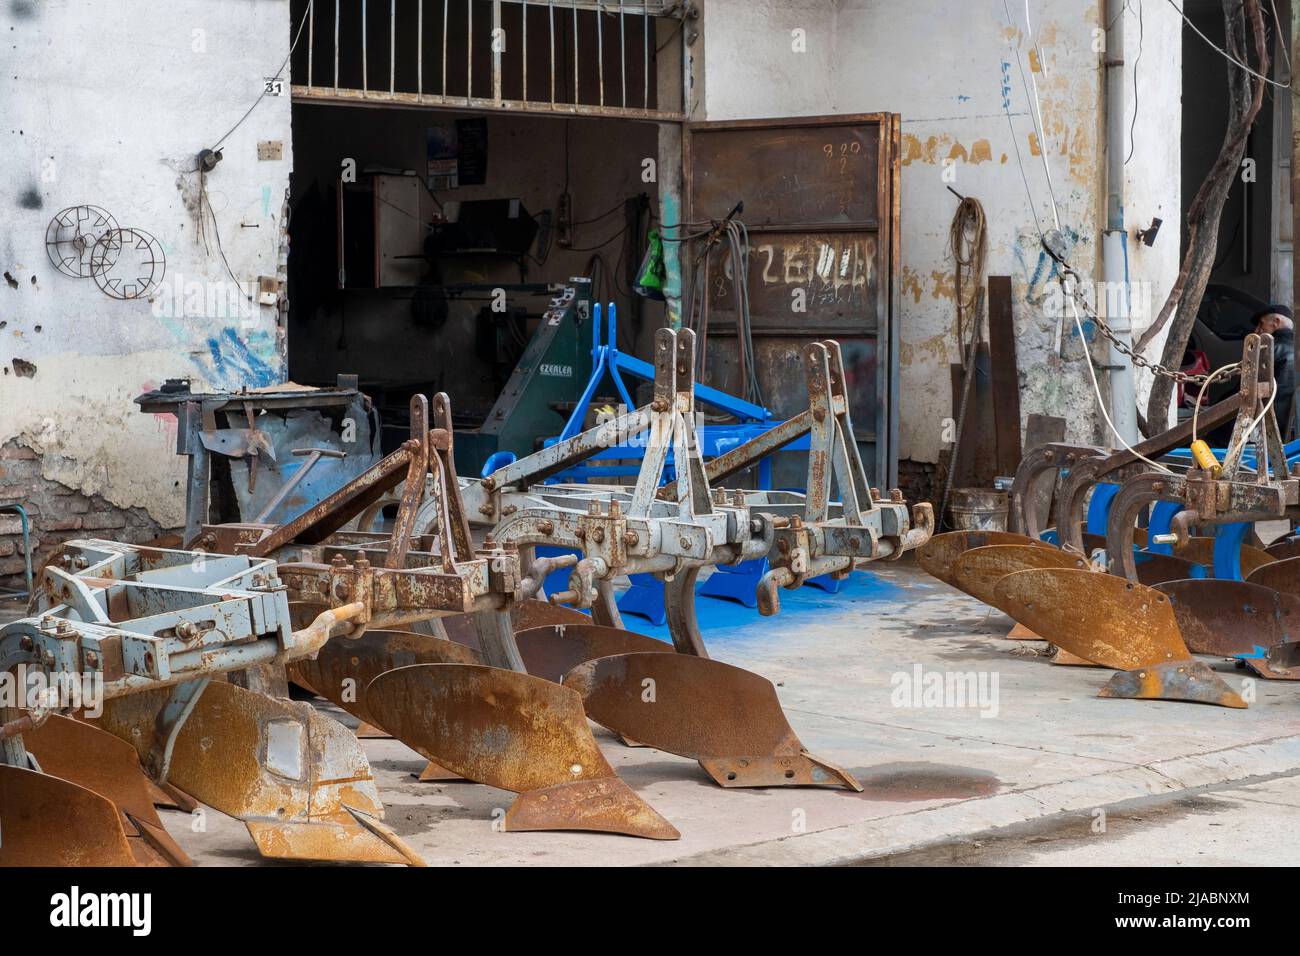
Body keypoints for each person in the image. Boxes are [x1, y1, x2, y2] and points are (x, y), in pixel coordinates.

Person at [1253, 304, 1295, 439]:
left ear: (1276, 322)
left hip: (1264, 430)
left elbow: (1244, 394)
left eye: (1261, 324)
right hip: (1290, 431)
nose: (1256, 330)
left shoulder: (1268, 351)